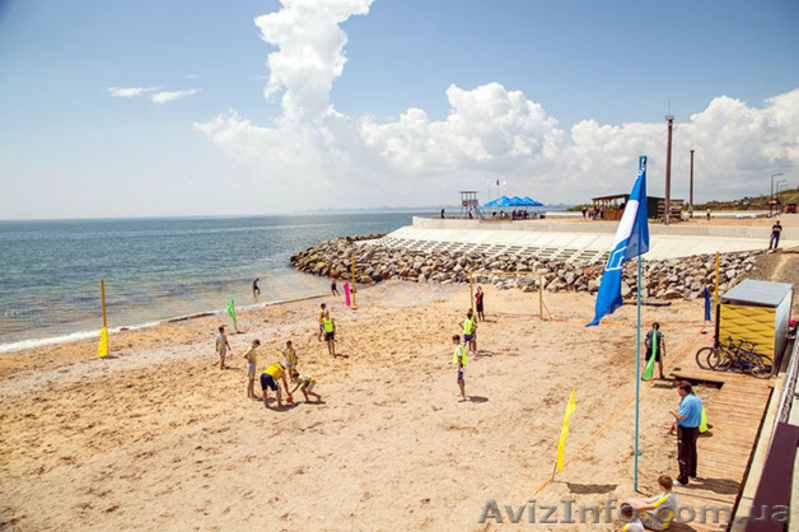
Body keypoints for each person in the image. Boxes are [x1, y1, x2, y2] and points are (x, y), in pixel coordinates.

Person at [670, 381, 703, 486]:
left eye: (678, 390)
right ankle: (692, 473)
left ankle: (682, 479)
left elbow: (681, 417)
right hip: (694, 429)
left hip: (686, 430)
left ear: (683, 390)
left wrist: (673, 412)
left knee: (683, 454)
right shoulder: (696, 399)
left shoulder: (688, 401)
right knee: (692, 451)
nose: (678, 392)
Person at [452, 334, 467, 401]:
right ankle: (461, 393)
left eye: (453, 340)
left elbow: (460, 357)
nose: (453, 342)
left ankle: (463, 396)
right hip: (462, 365)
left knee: (459, 381)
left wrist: (459, 368)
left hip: (460, 366)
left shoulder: (459, 348)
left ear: (456, 340)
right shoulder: (461, 346)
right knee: (461, 380)